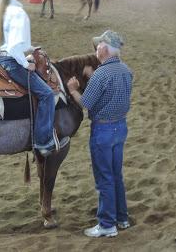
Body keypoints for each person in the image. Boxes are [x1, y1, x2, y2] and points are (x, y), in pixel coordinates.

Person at [0, 0, 70, 157]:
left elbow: (11, 42)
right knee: (47, 95)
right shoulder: (19, 13)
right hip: (11, 60)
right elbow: (15, 48)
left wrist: (30, 47)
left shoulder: (2, 8)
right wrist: (27, 65)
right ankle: (43, 142)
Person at [67, 30, 133, 238]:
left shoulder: (101, 75)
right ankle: (122, 218)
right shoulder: (125, 70)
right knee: (116, 175)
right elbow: (111, 88)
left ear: (104, 49)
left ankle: (106, 224)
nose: (96, 49)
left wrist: (73, 89)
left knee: (103, 178)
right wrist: (93, 77)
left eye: (98, 46)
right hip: (120, 127)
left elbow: (85, 103)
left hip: (102, 131)